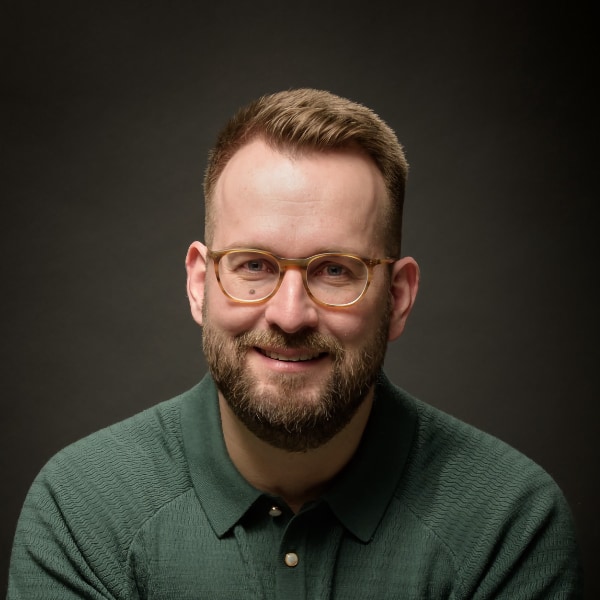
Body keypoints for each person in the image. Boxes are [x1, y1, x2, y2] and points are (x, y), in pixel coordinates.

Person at [7, 88, 582, 599]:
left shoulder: (508, 519)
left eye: (335, 269)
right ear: (199, 284)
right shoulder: (83, 506)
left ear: (399, 297)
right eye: (253, 264)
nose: (289, 314)